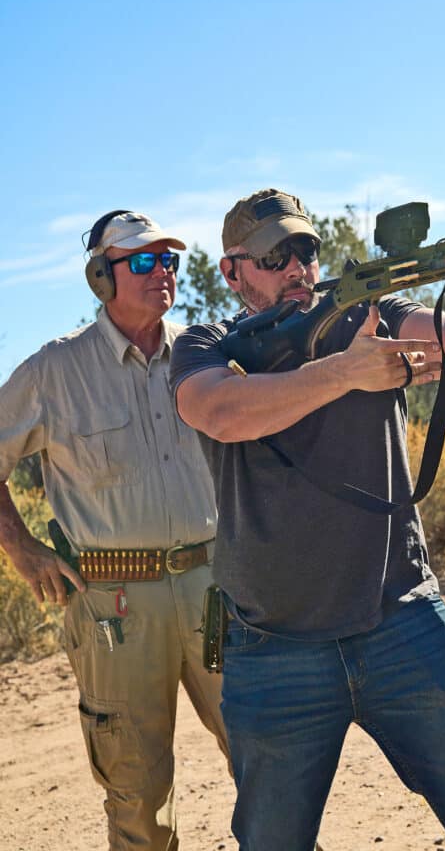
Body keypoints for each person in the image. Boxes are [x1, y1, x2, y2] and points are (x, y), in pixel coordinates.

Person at [170, 188, 445, 851]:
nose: (294, 268)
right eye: (272, 257)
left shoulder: (368, 317)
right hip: (273, 648)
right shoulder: (209, 343)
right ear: (232, 272)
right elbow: (221, 412)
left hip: (402, 622)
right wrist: (343, 374)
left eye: (305, 251)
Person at [0, 210, 230, 851]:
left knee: (271, 755)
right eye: (143, 261)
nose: (163, 273)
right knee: (136, 792)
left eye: (169, 261)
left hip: (218, 592)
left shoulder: (203, 354)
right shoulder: (55, 371)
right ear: (101, 276)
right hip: (113, 608)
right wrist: (21, 548)